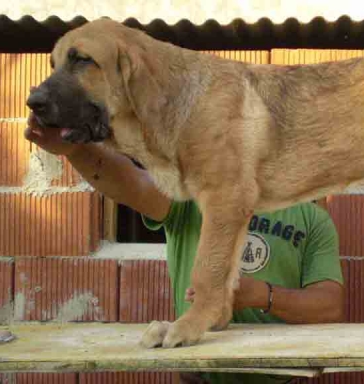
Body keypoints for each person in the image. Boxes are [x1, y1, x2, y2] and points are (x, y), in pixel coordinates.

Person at [24, 116, 345, 384]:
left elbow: (329, 307)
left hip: (278, 377)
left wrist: (257, 294)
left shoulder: (311, 218)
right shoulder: (193, 198)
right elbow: (131, 183)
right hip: (198, 375)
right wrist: (76, 150)